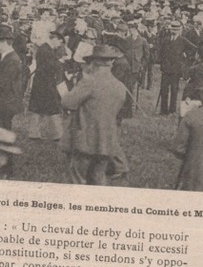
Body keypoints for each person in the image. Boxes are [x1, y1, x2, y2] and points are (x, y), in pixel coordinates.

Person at [60, 43, 128, 185]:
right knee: (98, 178)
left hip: (85, 139)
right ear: (111, 62)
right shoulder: (120, 86)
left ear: (94, 62)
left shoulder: (89, 82)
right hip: (107, 140)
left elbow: (67, 102)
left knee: (77, 179)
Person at [27, 25, 65, 141]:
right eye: (60, 42)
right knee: (53, 108)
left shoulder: (44, 49)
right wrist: (60, 63)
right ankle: (57, 134)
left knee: (37, 108)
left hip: (41, 83)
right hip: (46, 84)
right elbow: (50, 67)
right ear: (54, 39)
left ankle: (34, 133)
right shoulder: (46, 51)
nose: (59, 45)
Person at [0, 23, 25, 135]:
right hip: (5, 99)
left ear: (4, 42)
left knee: (2, 127)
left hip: (6, 100)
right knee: (2, 126)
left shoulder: (12, 60)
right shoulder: (7, 56)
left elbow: (2, 83)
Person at [158, 20, 189, 115]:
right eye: (173, 29)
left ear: (179, 30)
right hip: (166, 69)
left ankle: (172, 110)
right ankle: (163, 110)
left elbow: (193, 49)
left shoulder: (183, 40)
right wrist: (162, 64)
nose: (174, 31)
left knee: (174, 90)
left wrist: (184, 59)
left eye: (176, 29)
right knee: (164, 89)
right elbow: (161, 53)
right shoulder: (165, 40)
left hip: (176, 70)